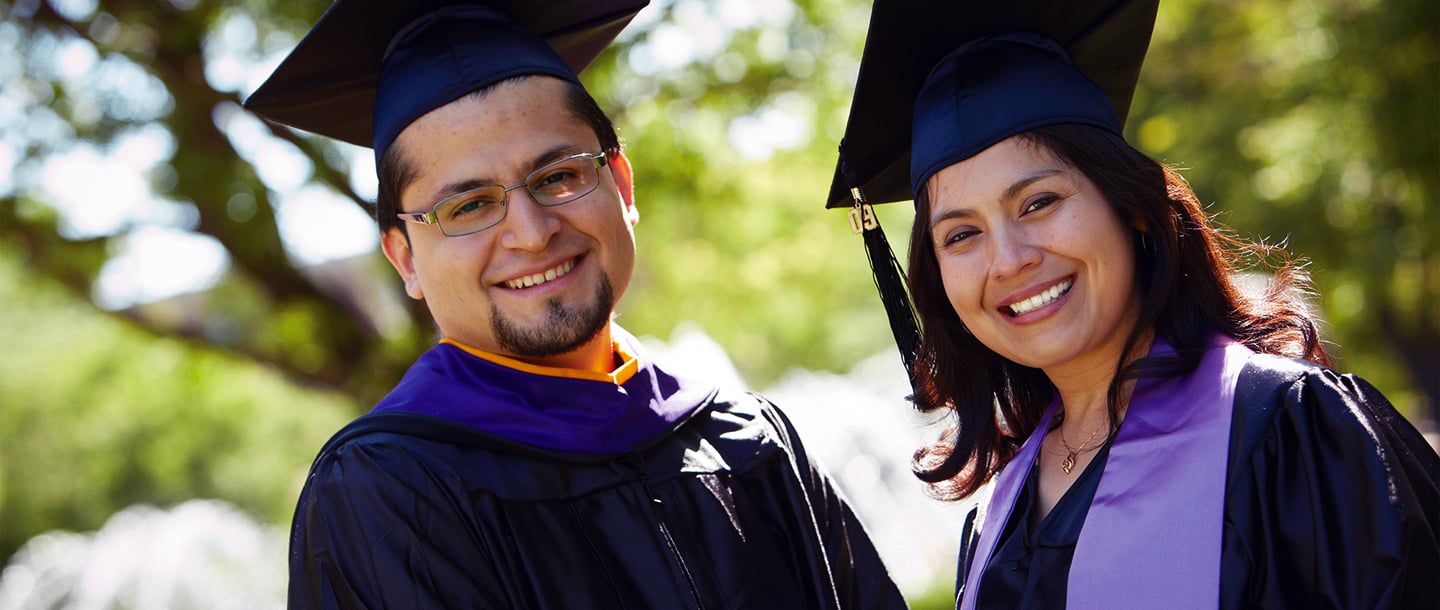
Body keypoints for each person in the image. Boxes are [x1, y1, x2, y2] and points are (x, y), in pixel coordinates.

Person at [243, 1, 908, 608]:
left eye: (559, 176)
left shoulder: (753, 441)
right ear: (406, 258)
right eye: (469, 205)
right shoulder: (388, 495)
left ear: (620, 183)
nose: (532, 233)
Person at [825, 0, 1440, 608]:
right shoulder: (997, 514)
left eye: (1038, 202)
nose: (1008, 261)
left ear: (1135, 208)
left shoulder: (1290, 431)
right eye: (961, 235)